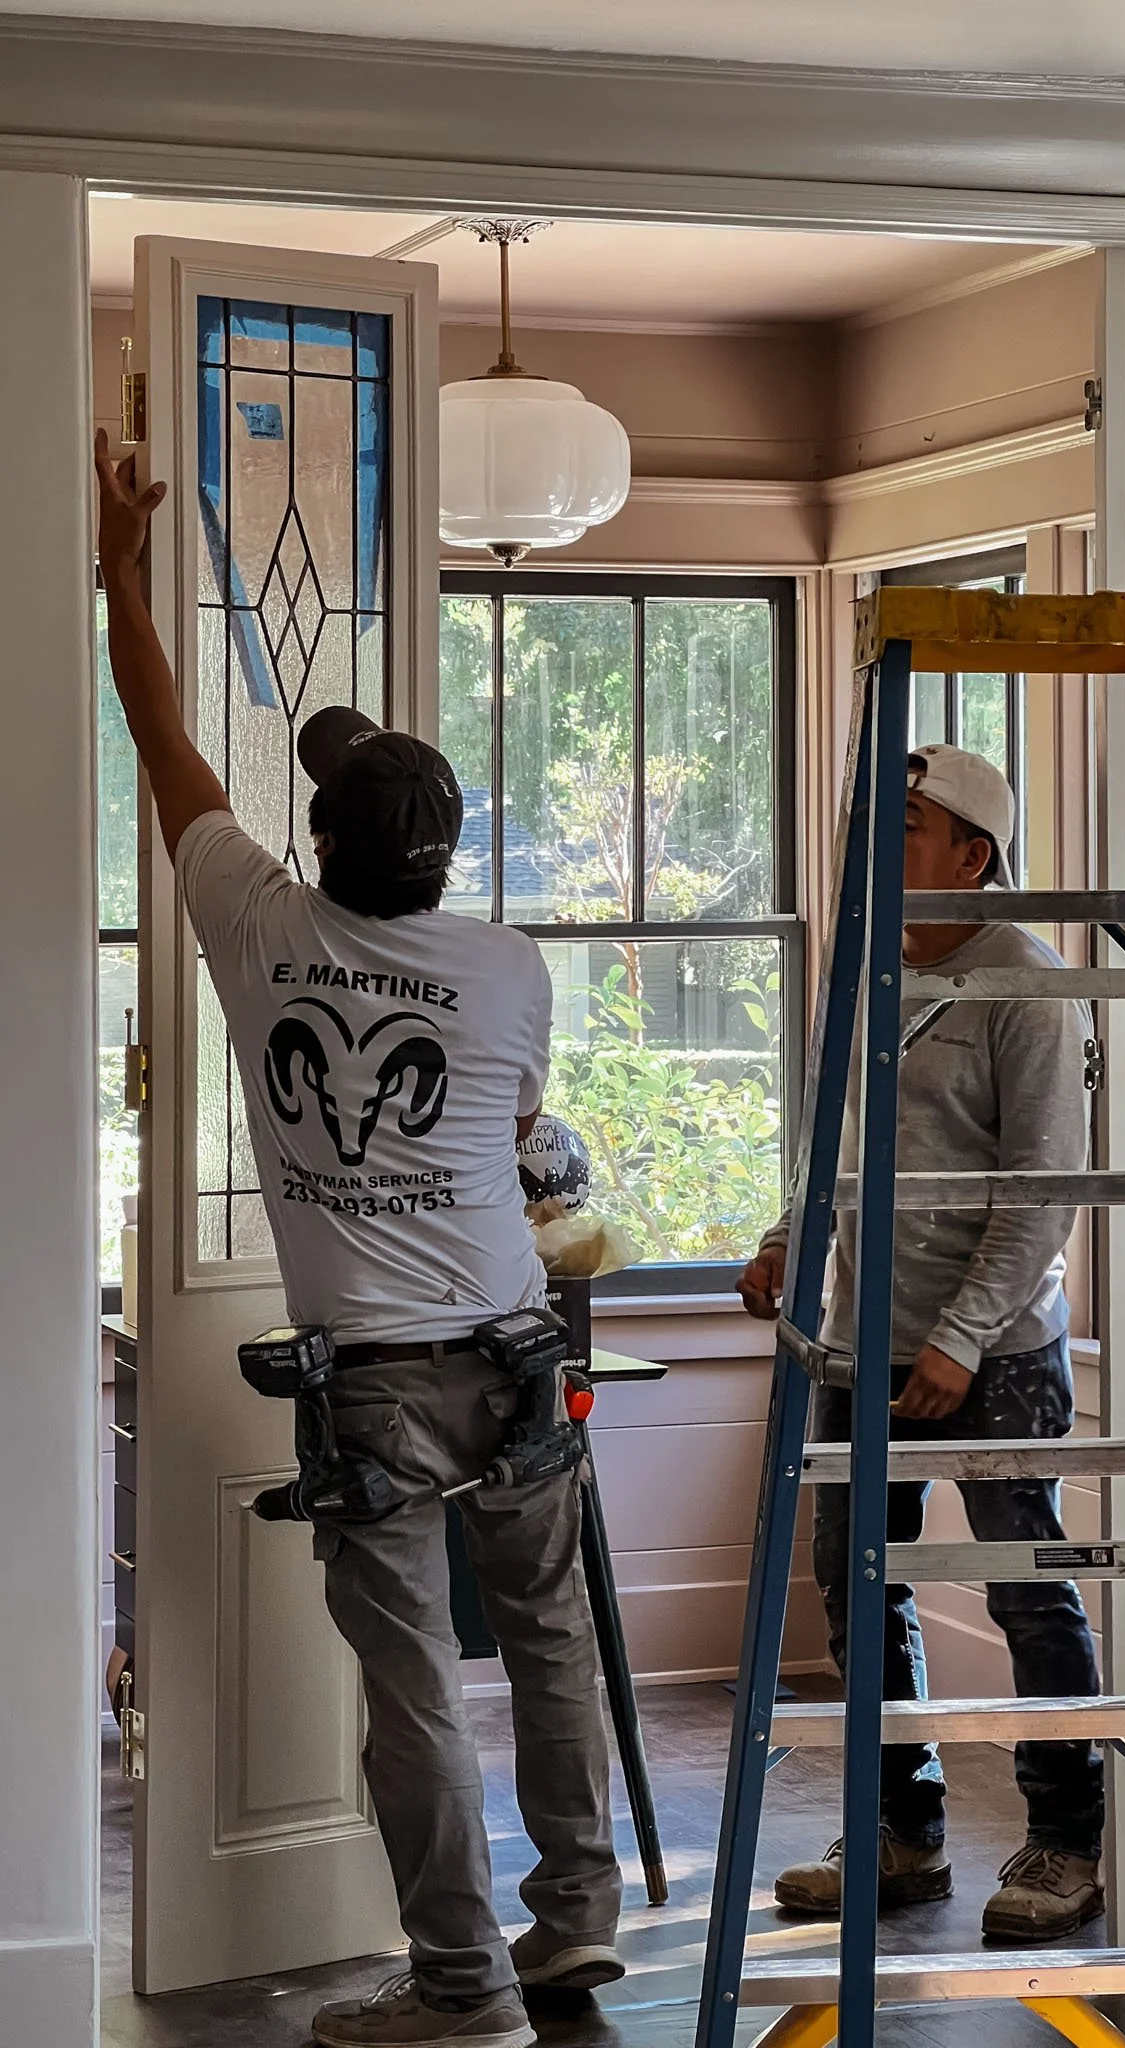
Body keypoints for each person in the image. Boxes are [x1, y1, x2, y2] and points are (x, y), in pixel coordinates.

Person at [95, 432, 621, 2048]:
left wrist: (122, 563)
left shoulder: (257, 926)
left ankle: (460, 1988)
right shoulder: (507, 968)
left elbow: (165, 735)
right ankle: (572, 1929)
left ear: (317, 840)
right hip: (521, 1347)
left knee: (412, 1689)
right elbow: (524, 1130)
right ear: (444, 850)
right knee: (545, 1646)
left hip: (380, 1386)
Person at [737, 742, 1104, 1941]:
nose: (873, 848)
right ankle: (903, 1829)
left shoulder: (1027, 983)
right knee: (860, 1590)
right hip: (858, 1345)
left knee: (1027, 1591)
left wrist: (959, 1335)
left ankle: (1064, 1840)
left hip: (993, 1358)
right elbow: (829, 1142)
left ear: (970, 853)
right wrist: (790, 1237)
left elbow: (1041, 1187)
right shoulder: (865, 972)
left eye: (901, 828)